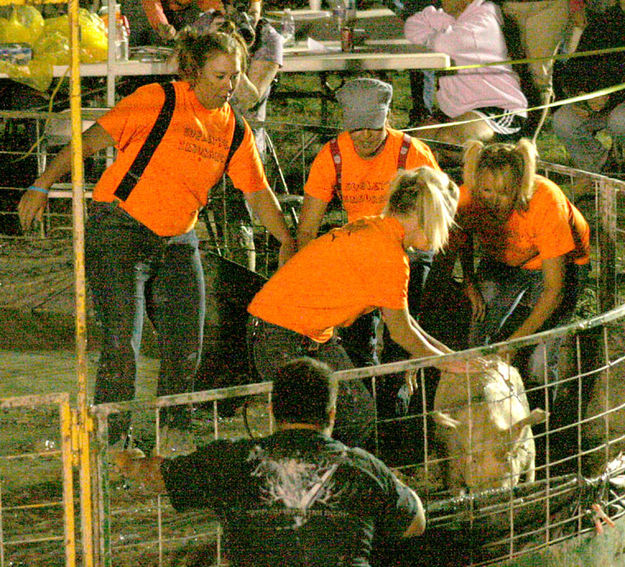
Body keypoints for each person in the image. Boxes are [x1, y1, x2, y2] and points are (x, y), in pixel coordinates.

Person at [17, 26, 296, 453]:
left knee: (187, 344)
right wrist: (41, 186)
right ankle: (114, 442)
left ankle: (174, 438)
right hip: (120, 229)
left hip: (179, 238)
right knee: (121, 346)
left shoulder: (234, 130)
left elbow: (258, 193)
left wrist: (287, 239)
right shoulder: (157, 100)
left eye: (235, 75)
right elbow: (88, 143)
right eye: (219, 76)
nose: (229, 86)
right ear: (193, 73)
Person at [114, 357, 426, 567]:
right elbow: (416, 523)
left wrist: (129, 460)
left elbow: (154, 476)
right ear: (332, 413)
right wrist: (393, 485)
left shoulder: (231, 459)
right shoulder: (363, 468)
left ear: (273, 408)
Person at [248, 166, 477, 449]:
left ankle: (322, 470)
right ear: (426, 218)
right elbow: (401, 332)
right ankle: (318, 475)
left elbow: (405, 322)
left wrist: (449, 356)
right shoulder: (390, 256)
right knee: (349, 415)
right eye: (443, 223)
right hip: (281, 334)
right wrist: (445, 362)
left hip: (291, 330)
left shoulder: (373, 228)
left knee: (351, 413)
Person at [296, 77, 441, 368]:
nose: (365, 136)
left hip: (407, 250)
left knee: (402, 338)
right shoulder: (332, 156)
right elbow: (307, 229)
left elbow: (437, 218)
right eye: (357, 128)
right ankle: (364, 388)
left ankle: (398, 390)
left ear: (388, 118)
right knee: (355, 342)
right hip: (360, 252)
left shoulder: (412, 153)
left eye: (374, 128)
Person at [453, 139, 590, 396]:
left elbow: (554, 290)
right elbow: (463, 235)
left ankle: (541, 422)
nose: (494, 201)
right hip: (504, 258)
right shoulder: (467, 195)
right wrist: (469, 281)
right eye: (487, 192)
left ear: (520, 187)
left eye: (505, 193)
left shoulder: (546, 200)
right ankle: (480, 406)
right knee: (475, 337)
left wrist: (515, 342)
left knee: (539, 356)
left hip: (562, 264)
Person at [195, 5, 284, 270]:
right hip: (199, 130)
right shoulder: (205, 26)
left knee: (236, 216)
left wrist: (233, 54)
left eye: (251, 7)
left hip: (241, 133)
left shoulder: (268, 38)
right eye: (237, 5)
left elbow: (249, 99)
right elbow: (182, 75)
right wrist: (205, 44)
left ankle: (242, 282)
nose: (245, 16)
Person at [404, 0, 528, 153]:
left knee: (448, 142)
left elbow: (446, 45)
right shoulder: (451, 16)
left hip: (498, 108)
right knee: (412, 145)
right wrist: (436, 36)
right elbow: (411, 24)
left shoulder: (485, 18)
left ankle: (485, 168)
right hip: (455, 109)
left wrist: (430, 37)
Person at [551, 0, 625, 187]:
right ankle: (601, 171)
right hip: (598, 103)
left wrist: (607, 99)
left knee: (619, 120)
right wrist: (581, 97)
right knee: (564, 121)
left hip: (616, 105)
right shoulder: (604, 22)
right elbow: (573, 68)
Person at [142, 0, 262, 43]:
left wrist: (219, 18)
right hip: (157, 17)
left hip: (191, 14)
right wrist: (162, 25)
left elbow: (213, 8)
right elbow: (152, 6)